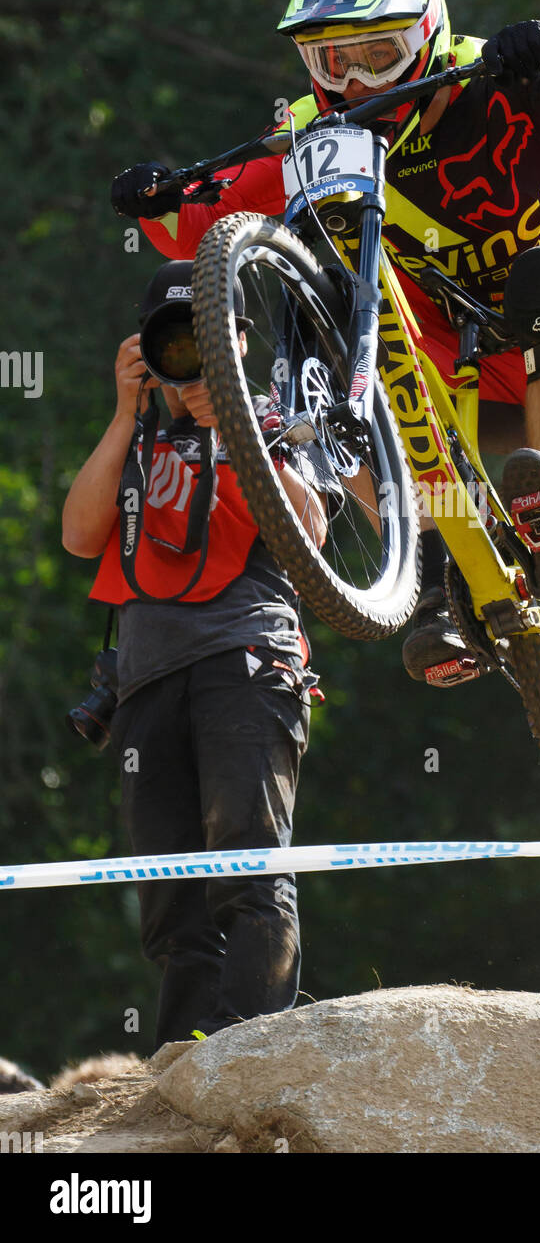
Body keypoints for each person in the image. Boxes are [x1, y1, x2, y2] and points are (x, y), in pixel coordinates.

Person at [110, 0, 540, 686]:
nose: (358, 81)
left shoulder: (495, 70)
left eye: (380, 53)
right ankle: (447, 586)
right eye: (332, 60)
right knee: (362, 371)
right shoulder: (315, 129)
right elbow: (203, 221)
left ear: (429, 32)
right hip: (468, 373)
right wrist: (157, 196)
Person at [62, 261, 328, 1049]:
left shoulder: (276, 422)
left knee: (247, 864)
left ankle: (249, 1043)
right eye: (171, 341)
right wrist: (123, 411)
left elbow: (310, 531)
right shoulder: (138, 431)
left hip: (244, 661)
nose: (191, 357)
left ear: (239, 341)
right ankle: (183, 1056)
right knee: (167, 893)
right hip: (146, 679)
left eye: (207, 337)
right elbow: (80, 535)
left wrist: (230, 427)